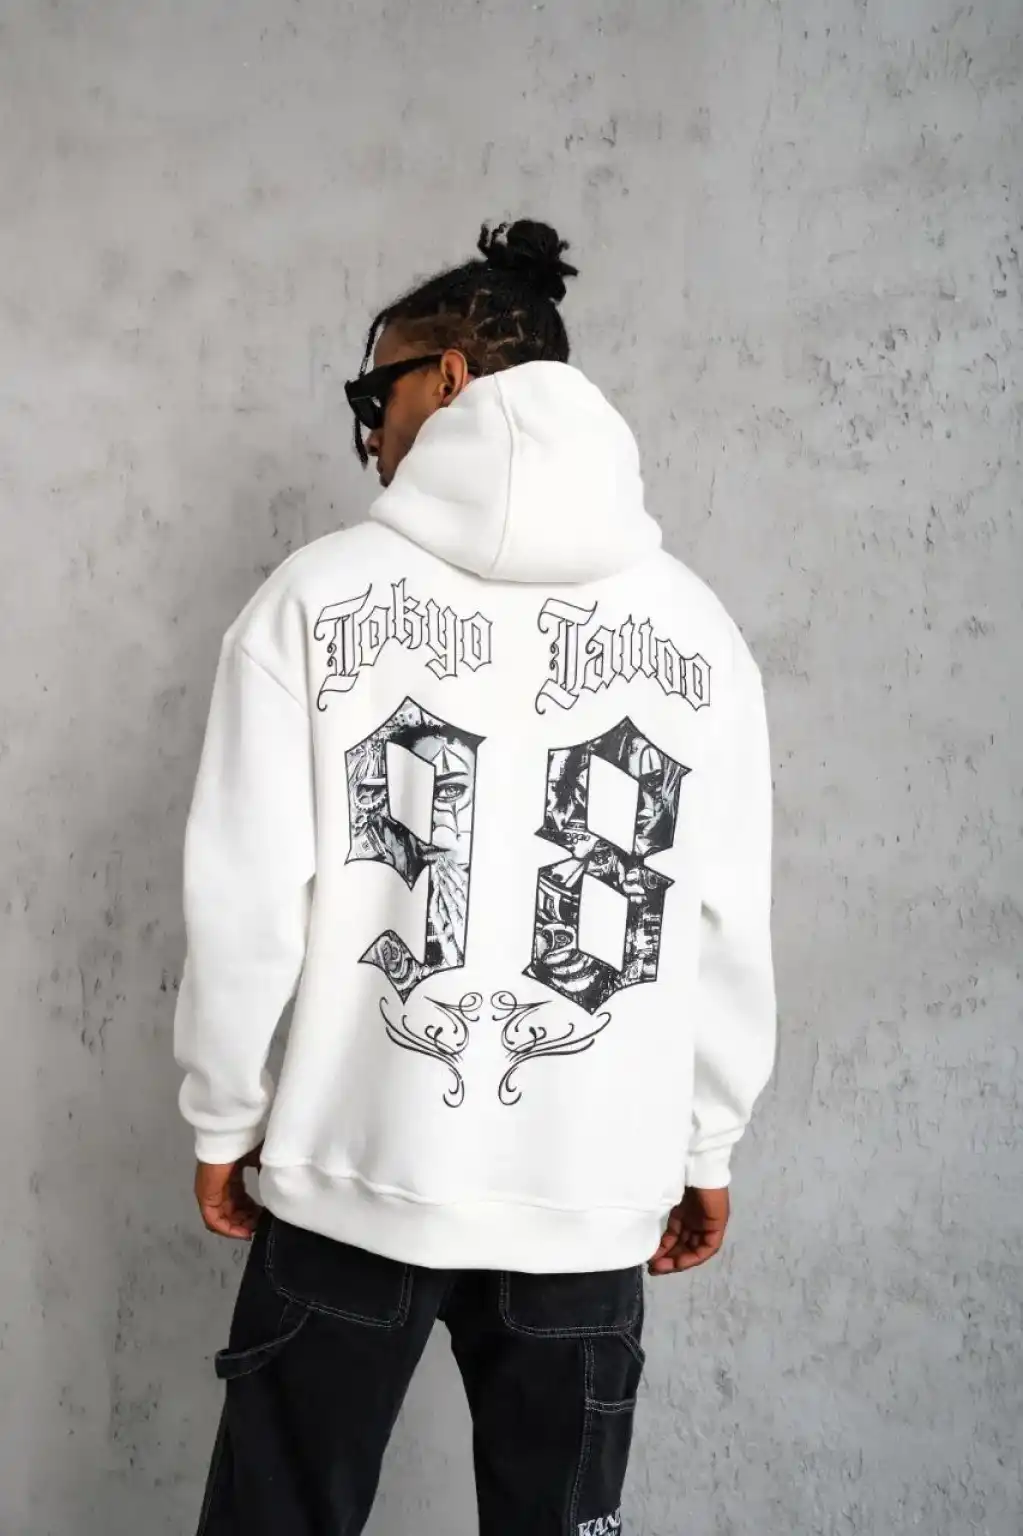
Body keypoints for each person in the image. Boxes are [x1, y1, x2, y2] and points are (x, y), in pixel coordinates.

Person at [173, 218, 777, 1536]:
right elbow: (726, 918)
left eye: (374, 390)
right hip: (588, 1189)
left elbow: (245, 897)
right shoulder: (698, 628)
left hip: (354, 1177)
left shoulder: (313, 600)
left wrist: (225, 1117)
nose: (367, 432)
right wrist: (705, 1140)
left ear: (446, 376)